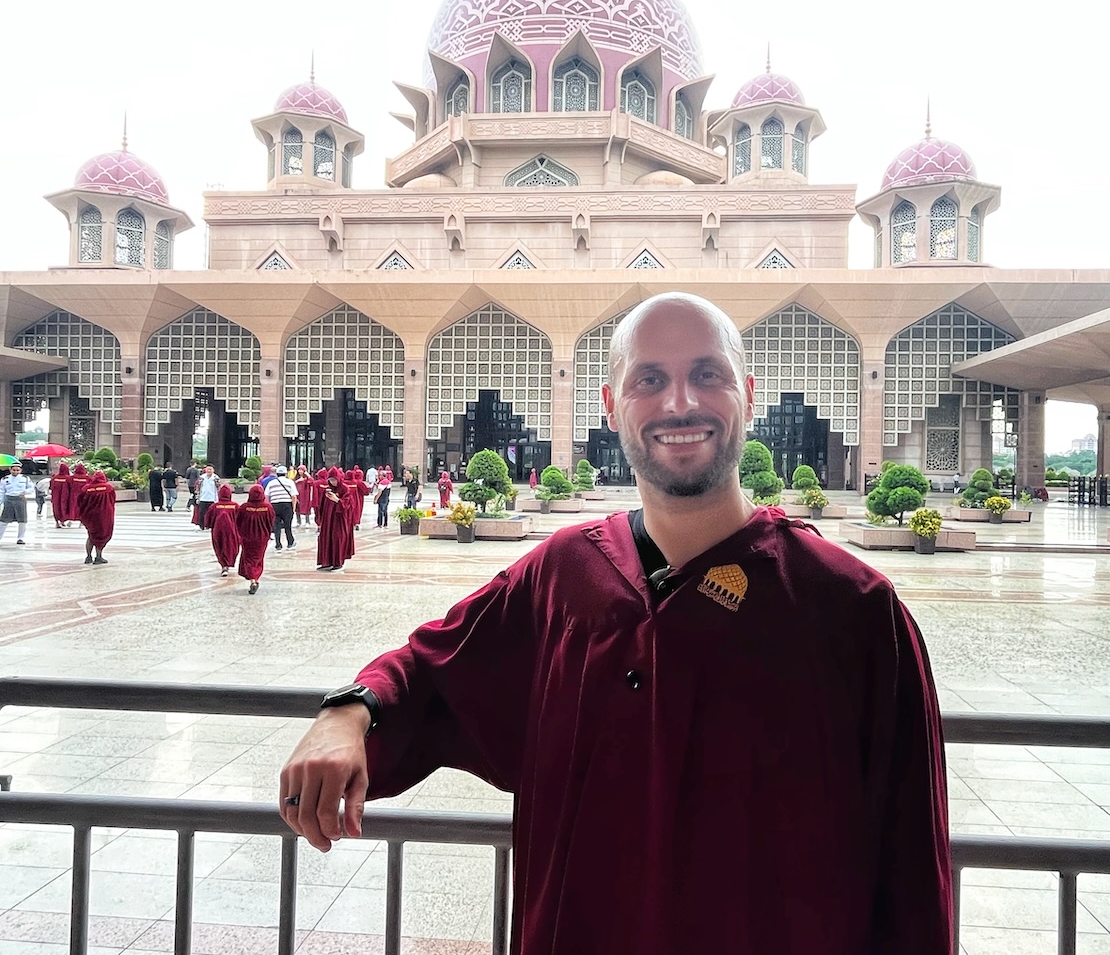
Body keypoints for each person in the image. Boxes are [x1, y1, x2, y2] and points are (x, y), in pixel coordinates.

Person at [279, 293, 954, 955]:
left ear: (747, 393)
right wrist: (350, 711)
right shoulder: (564, 578)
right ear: (611, 405)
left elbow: (913, 874)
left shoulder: (851, 609)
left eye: (707, 374)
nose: (680, 403)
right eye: (650, 379)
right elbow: (433, 668)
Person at [235, 483, 274, 595]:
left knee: (248, 559)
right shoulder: (268, 507)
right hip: (262, 538)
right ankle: (255, 579)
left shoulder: (244, 507)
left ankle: (252, 580)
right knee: (258, 558)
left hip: (247, 538)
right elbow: (271, 522)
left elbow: (238, 522)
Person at [314, 469, 355, 571]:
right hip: (328, 520)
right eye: (330, 480)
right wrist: (319, 520)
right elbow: (322, 505)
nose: (332, 482)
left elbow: (348, 504)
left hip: (340, 520)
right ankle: (326, 561)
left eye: (334, 480)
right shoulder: (328, 489)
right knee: (326, 538)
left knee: (338, 539)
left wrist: (337, 500)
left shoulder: (345, 489)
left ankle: (338, 562)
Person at [78, 470, 116, 564]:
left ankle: (88, 557)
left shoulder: (86, 488)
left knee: (91, 536)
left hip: (90, 516)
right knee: (102, 536)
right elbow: (113, 500)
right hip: (104, 515)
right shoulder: (108, 488)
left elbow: (80, 501)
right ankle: (98, 556)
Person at [203, 483, 240, 576]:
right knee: (231, 547)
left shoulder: (214, 506)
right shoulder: (235, 506)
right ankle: (228, 562)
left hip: (217, 531)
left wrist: (208, 525)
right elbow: (241, 519)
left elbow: (208, 519)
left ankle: (224, 565)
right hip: (232, 531)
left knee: (219, 547)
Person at [264, 464, 298, 551]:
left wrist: (269, 506)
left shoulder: (271, 483)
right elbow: (294, 496)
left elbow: (266, 496)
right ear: (286, 474)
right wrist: (293, 508)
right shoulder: (290, 482)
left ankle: (278, 544)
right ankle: (290, 542)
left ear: (277, 474)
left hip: (275, 505)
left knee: (276, 525)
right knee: (287, 525)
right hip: (287, 505)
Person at [0, 468, 31, 545]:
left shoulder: (25, 478)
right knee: (3, 520)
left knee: (22, 520)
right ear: (10, 470)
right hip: (9, 500)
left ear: (21, 470)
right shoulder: (5, 479)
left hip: (20, 500)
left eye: (17, 470)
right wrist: (1, 501)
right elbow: (2, 491)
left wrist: (25, 492)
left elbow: (31, 488)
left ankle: (20, 538)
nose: (15, 472)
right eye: (14, 470)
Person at [50, 461, 72, 528]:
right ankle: (63, 521)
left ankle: (57, 522)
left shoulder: (55, 478)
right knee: (64, 508)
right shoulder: (68, 478)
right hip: (65, 497)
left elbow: (51, 486)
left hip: (55, 497)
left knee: (56, 508)